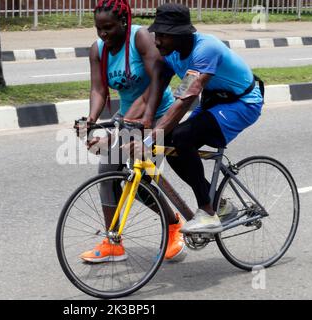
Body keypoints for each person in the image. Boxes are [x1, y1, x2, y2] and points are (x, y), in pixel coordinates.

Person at [78, 0, 189, 263]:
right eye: (99, 29)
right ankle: (113, 242)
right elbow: (98, 89)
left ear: (123, 23)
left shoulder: (140, 37)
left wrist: (139, 119)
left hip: (157, 113)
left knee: (140, 183)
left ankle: (174, 226)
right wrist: (91, 118)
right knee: (108, 174)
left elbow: (158, 81)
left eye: (109, 28)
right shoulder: (98, 49)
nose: (104, 34)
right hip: (126, 116)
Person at [140, 3, 264, 234]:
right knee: (169, 144)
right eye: (156, 34)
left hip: (243, 103)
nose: (157, 41)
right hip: (215, 102)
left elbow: (185, 98)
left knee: (182, 136)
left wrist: (150, 138)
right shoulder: (171, 54)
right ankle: (220, 204)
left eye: (164, 35)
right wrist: (144, 121)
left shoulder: (206, 49)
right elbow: (156, 87)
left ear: (180, 33)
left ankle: (207, 212)